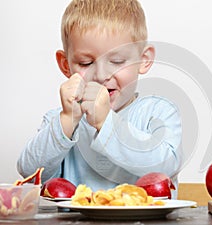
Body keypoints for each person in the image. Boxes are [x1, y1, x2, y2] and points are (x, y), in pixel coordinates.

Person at [17, 0, 182, 195]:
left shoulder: (158, 112)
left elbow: (166, 166)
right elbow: (30, 172)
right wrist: (66, 121)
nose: (101, 75)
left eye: (117, 61)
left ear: (143, 60)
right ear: (65, 65)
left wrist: (106, 123)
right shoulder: (60, 121)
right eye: (86, 63)